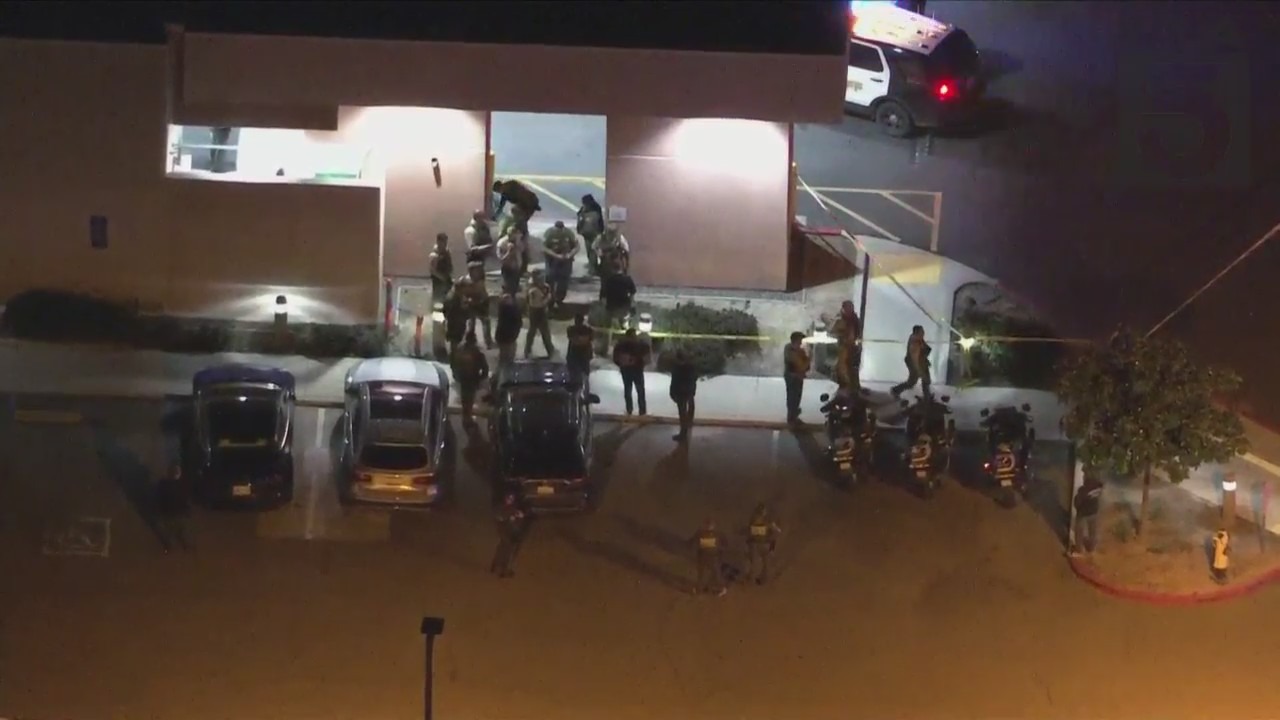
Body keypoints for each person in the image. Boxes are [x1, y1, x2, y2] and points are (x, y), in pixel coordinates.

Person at [451, 331, 489, 427]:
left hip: (463, 378)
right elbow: (485, 367)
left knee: (464, 398)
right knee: (470, 398)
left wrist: (456, 374)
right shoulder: (477, 352)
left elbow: (453, 362)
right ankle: (468, 416)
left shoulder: (460, 350)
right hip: (473, 378)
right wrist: (481, 377)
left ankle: (465, 416)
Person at [154, 463, 192, 552]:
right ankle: (185, 546)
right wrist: (188, 511)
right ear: (178, 473)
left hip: (168, 513)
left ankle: (168, 547)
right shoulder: (183, 484)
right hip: (181, 513)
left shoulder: (162, 483)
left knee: (168, 532)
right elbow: (186, 499)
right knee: (182, 531)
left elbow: (158, 498)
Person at [490, 493, 529, 579]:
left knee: (507, 550)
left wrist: (519, 516)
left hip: (511, 532)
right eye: (508, 499)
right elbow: (499, 518)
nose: (510, 500)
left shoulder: (514, 509)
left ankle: (499, 567)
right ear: (505, 499)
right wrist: (508, 518)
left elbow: (520, 518)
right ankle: (501, 568)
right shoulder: (501, 508)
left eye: (511, 499)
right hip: (503, 531)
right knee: (504, 549)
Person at [613, 328, 649, 416]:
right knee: (639, 390)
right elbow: (645, 354)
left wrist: (622, 363)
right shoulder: (639, 345)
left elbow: (616, 357)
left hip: (627, 370)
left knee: (628, 389)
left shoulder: (621, 345)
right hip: (636, 370)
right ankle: (641, 410)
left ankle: (630, 409)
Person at [541, 220, 578, 306]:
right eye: (557, 230)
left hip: (566, 260)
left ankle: (560, 300)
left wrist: (570, 254)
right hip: (552, 260)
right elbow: (543, 247)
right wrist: (555, 255)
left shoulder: (569, 233)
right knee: (550, 279)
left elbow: (576, 246)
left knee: (564, 281)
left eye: (561, 230)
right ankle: (549, 300)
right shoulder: (549, 233)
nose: (559, 232)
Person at [745, 503, 783, 585]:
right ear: (763, 512)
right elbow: (777, 531)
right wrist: (772, 544)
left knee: (754, 563)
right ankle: (763, 579)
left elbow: (748, 533)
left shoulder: (752, 521)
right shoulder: (767, 522)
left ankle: (751, 580)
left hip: (754, 545)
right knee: (766, 563)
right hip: (764, 545)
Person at [890, 325, 932, 399]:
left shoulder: (919, 339)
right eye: (921, 331)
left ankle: (927, 396)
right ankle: (895, 390)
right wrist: (919, 371)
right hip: (914, 363)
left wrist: (925, 360)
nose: (923, 333)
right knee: (912, 382)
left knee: (926, 379)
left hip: (921, 362)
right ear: (917, 333)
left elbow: (924, 351)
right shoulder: (914, 343)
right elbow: (915, 359)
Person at [690, 518, 727, 597]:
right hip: (708, 556)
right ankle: (699, 589)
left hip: (709, 557)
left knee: (711, 573)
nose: (709, 527)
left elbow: (693, 544)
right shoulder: (716, 534)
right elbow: (723, 544)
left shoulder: (700, 533)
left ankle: (721, 588)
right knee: (704, 573)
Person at [523, 269, 555, 359]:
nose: (542, 280)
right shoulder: (533, 290)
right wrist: (548, 298)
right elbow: (537, 304)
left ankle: (550, 349)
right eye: (540, 278)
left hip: (542, 311)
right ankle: (528, 350)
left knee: (543, 332)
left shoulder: (545, 286)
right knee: (535, 331)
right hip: (535, 312)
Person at [459, 267, 494, 348]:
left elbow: (484, 295)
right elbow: (463, 292)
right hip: (473, 304)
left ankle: (487, 342)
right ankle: (470, 341)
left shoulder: (478, 280)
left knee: (483, 323)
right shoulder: (468, 280)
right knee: (472, 323)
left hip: (480, 304)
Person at [1069, 474, 1103, 556]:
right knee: (1093, 531)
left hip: (1083, 514)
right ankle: (1091, 548)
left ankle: (1079, 550)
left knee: (1079, 532)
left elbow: (1077, 502)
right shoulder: (1098, 489)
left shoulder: (1082, 491)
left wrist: (1077, 505)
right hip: (1094, 512)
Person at [831, 300, 862, 388]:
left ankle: (854, 387)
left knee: (853, 368)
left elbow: (858, 333)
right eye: (847, 307)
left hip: (852, 347)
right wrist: (842, 335)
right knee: (842, 368)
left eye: (851, 307)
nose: (850, 309)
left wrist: (856, 342)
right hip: (842, 347)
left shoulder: (855, 320)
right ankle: (844, 386)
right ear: (843, 308)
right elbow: (833, 332)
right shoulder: (839, 319)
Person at [668, 348, 697, 442]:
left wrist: (673, 393)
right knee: (689, 407)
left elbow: (675, 381)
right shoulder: (691, 367)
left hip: (681, 392)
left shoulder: (677, 368)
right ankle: (688, 425)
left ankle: (683, 432)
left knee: (682, 412)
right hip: (688, 390)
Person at [783, 331, 811, 424]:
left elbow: (806, 365)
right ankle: (791, 416)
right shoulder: (789, 349)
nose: (801, 342)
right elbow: (798, 363)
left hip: (798, 377)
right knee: (792, 396)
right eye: (799, 340)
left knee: (797, 396)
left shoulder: (800, 351)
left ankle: (794, 415)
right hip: (792, 376)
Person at [576, 194, 605, 275]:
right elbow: (601, 221)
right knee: (593, 250)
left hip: (587, 233)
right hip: (595, 232)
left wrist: (579, 229)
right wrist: (601, 231)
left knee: (590, 250)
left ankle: (592, 268)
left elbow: (579, 217)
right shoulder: (597, 208)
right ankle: (593, 267)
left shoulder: (584, 209)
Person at [495, 289, 523, 368]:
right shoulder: (511, 310)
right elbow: (517, 322)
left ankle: (502, 371)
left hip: (506, 337)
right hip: (508, 337)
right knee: (507, 357)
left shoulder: (504, 309)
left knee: (504, 357)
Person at [566, 313, 595, 388]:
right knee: (584, 374)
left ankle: (577, 389)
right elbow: (591, 339)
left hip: (575, 354)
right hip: (583, 354)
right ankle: (584, 390)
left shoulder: (571, 329)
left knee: (575, 374)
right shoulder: (588, 330)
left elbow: (572, 339)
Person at [441, 284, 468, 357]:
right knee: (455, 339)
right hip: (456, 322)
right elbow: (462, 310)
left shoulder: (451, 296)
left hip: (453, 321)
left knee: (454, 340)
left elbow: (444, 309)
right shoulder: (456, 298)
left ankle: (453, 354)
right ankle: (453, 355)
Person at [498, 226, 526, 295]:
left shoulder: (518, 241)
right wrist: (509, 252)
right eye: (514, 235)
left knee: (515, 288)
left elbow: (522, 250)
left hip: (516, 267)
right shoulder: (502, 243)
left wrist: (518, 243)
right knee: (508, 288)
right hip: (508, 268)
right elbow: (501, 259)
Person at [428, 232, 453, 300]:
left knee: (449, 296)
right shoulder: (434, 255)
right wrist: (442, 278)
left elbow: (449, 263)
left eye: (445, 242)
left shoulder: (447, 251)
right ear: (438, 242)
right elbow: (432, 270)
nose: (445, 244)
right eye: (443, 242)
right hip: (438, 280)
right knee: (437, 296)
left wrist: (450, 270)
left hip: (446, 278)